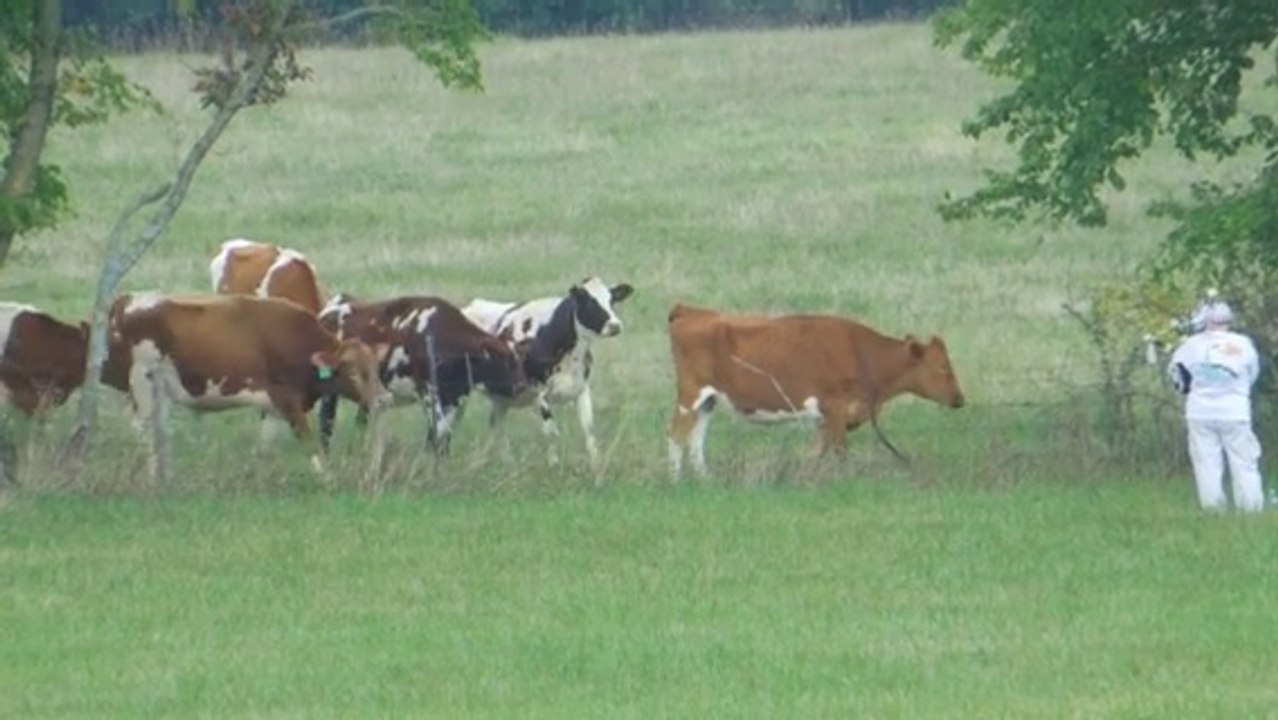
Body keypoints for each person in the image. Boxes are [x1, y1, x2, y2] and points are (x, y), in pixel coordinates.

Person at [1167, 300, 1264, 511]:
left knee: (1206, 463)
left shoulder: (1190, 345)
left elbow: (1177, 378)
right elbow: (1252, 373)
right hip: (1235, 411)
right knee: (1244, 461)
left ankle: (1213, 509)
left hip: (1199, 411)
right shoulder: (1243, 344)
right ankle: (1251, 508)